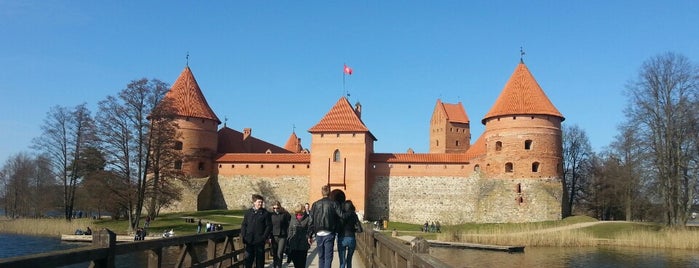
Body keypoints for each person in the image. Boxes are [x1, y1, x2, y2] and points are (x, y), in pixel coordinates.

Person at [309, 185, 344, 268]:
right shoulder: (334, 203)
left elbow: (311, 220)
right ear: (330, 193)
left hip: (318, 233)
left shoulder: (315, 204)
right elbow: (341, 216)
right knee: (328, 257)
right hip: (329, 232)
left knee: (321, 257)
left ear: (322, 193)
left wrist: (309, 235)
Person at [241, 194, 271, 268]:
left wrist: (264, 237)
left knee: (260, 260)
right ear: (254, 202)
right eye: (259, 202)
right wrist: (244, 236)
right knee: (248, 259)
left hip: (259, 240)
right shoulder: (248, 212)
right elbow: (244, 225)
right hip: (249, 240)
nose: (260, 204)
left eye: (261, 202)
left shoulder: (265, 213)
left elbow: (269, 226)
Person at [286, 203, 311, 268]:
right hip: (294, 244)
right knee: (296, 264)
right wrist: (288, 240)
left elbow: (309, 229)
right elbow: (290, 229)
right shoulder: (293, 218)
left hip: (303, 244)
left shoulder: (307, 218)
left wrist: (308, 236)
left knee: (302, 263)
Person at [338, 200, 362, 268]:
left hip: (341, 238)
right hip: (351, 237)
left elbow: (337, 227)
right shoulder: (354, 215)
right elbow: (359, 229)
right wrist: (354, 230)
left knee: (342, 261)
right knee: (349, 259)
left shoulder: (341, 215)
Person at [270, 201, 291, 268]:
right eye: (274, 208)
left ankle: (279, 266)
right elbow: (269, 226)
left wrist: (284, 210)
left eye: (277, 208)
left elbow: (289, 219)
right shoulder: (271, 215)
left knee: (280, 252)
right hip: (274, 236)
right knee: (275, 253)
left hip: (282, 235)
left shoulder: (284, 214)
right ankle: (274, 265)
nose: (276, 209)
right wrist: (269, 237)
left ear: (280, 207)